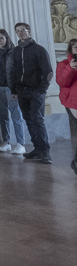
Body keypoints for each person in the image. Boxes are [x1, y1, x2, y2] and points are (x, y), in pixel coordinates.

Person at [8, 22, 53, 164]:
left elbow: (48, 72)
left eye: (23, 30)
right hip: (21, 92)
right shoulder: (14, 51)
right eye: (18, 31)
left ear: (29, 32)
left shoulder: (39, 50)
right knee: (28, 120)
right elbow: (13, 72)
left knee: (37, 120)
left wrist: (42, 90)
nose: (21, 33)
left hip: (35, 91)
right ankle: (37, 149)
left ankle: (45, 151)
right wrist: (14, 90)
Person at [0, 30, 25, 154]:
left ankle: (20, 144)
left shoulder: (14, 52)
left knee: (16, 115)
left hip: (11, 88)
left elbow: (19, 71)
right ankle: (6, 142)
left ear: (6, 38)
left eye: (1, 38)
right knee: (3, 117)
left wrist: (18, 89)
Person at [55, 38, 77, 175]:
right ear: (71, 50)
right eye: (76, 48)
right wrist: (71, 68)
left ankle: (75, 162)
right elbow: (62, 82)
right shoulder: (63, 64)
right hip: (72, 102)